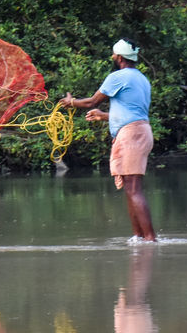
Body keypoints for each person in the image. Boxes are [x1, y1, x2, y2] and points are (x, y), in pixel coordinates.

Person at [61, 39, 156, 241]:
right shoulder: (141, 79)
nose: (113, 58)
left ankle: (150, 239)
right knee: (130, 188)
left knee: (134, 188)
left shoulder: (117, 77)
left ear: (119, 58)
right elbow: (131, 111)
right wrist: (104, 116)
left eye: (114, 56)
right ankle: (138, 238)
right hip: (140, 132)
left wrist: (71, 102)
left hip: (131, 135)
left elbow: (91, 101)